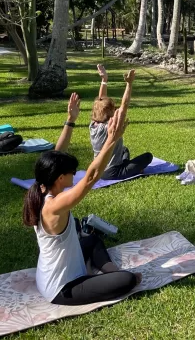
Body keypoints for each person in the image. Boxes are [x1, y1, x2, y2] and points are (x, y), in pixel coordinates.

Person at [23, 93, 141, 306]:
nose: (75, 174)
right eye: (72, 172)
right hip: (62, 288)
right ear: (60, 178)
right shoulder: (53, 206)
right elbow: (90, 179)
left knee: (93, 240)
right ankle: (113, 276)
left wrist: (71, 120)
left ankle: (110, 271)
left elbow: (57, 153)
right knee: (129, 279)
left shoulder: (42, 186)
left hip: (53, 271)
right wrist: (111, 139)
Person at [90, 64, 152, 180]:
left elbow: (101, 101)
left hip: (96, 169)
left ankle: (128, 166)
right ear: (109, 112)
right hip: (112, 172)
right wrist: (129, 84)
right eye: (113, 108)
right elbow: (124, 105)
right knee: (148, 157)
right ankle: (133, 170)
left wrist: (104, 80)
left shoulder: (93, 124)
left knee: (124, 150)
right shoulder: (111, 126)